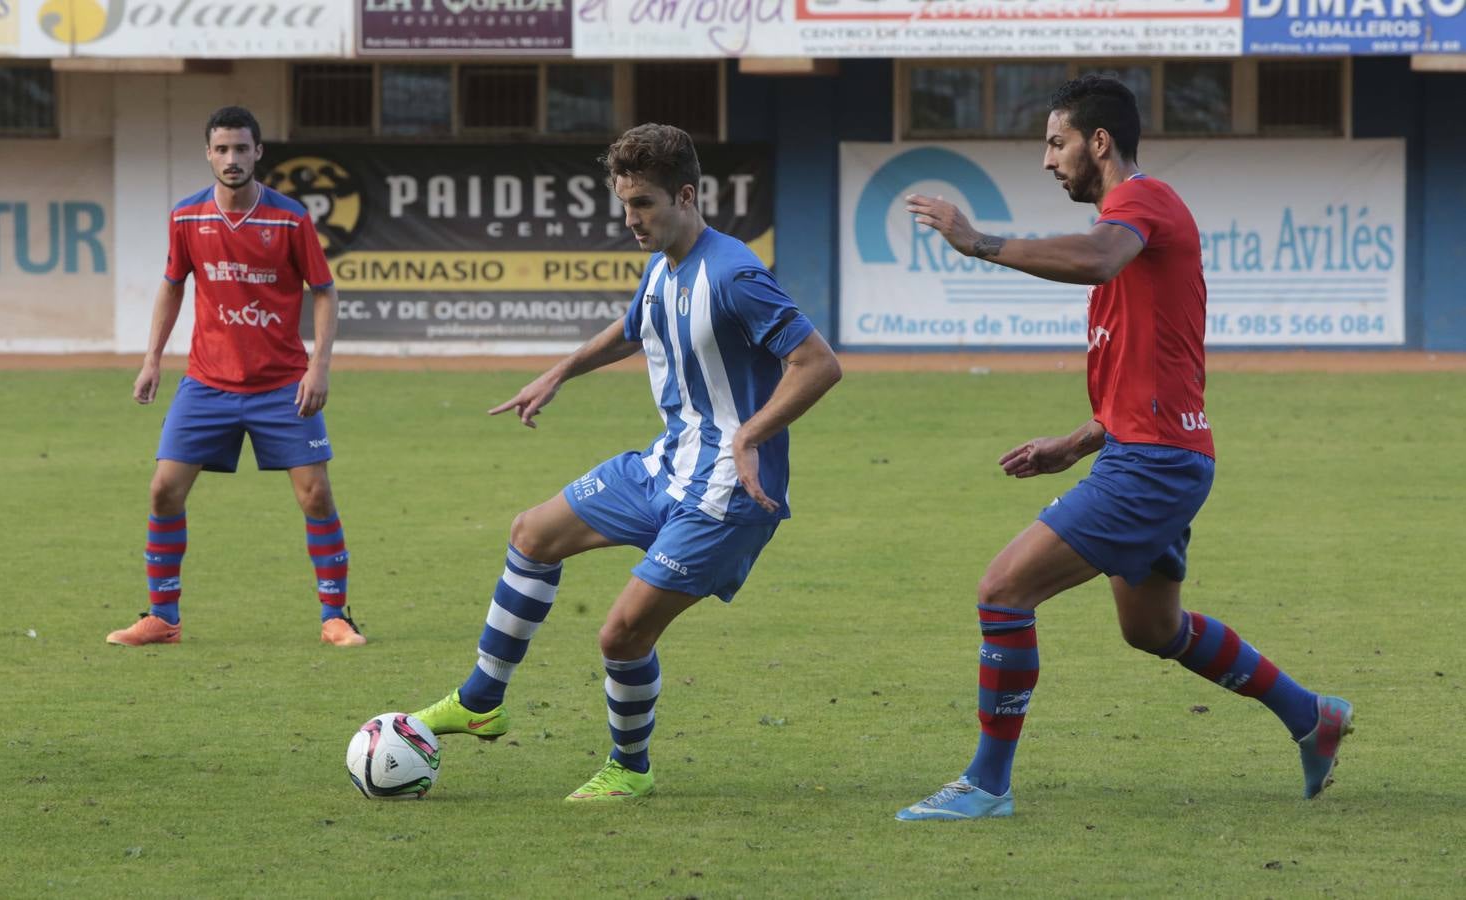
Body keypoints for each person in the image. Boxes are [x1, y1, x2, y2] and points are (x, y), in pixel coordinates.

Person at [894, 76, 1351, 821]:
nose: (1047, 161)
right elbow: (1152, 371)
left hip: (1153, 465)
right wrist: (1073, 443)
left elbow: (1096, 259)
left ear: (1096, 142)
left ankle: (985, 784)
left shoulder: (1140, 203)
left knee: (1002, 591)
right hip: (1152, 454)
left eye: (1055, 142)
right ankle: (1312, 716)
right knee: (1151, 629)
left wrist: (974, 241)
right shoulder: (1133, 230)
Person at [412, 123, 842, 801]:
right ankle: (480, 699)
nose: (630, 219)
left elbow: (818, 363)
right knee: (532, 533)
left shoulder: (734, 275)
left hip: (725, 494)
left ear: (687, 196)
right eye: (623, 204)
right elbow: (634, 326)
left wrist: (751, 435)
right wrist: (558, 372)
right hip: (665, 467)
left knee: (620, 635)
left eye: (642, 204)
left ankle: (629, 768)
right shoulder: (663, 264)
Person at [106, 105, 365, 648]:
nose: (231, 159)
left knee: (316, 495)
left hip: (280, 384)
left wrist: (319, 365)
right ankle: (162, 618)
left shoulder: (289, 218)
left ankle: (336, 617)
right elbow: (173, 283)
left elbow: (324, 291)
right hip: (207, 384)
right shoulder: (185, 217)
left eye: (241, 148)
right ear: (208, 153)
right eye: (221, 149)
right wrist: (153, 357)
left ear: (258, 153)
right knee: (163, 491)